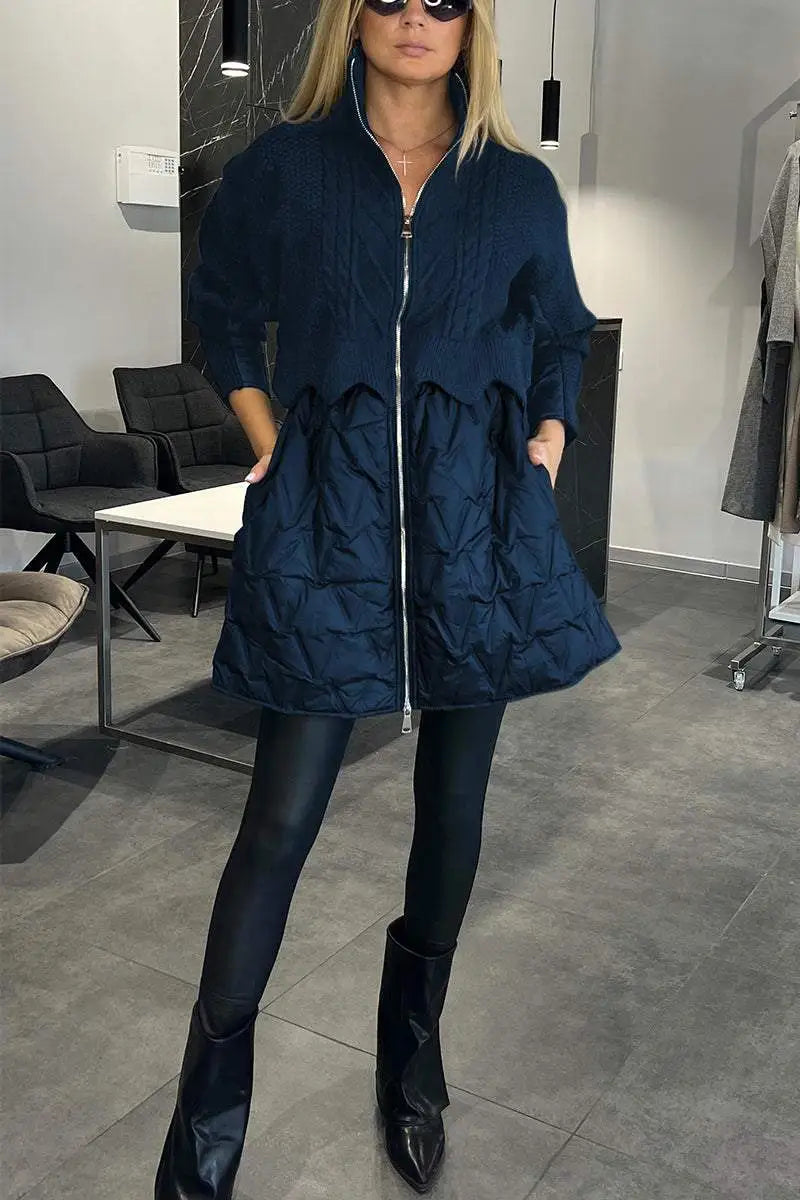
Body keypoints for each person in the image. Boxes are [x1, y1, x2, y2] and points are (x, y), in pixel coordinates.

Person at [154, 0, 621, 1196]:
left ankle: (410, 1062)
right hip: (328, 520)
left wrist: (547, 439)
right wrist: (269, 435)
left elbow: (559, 331)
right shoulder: (285, 168)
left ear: (473, 27)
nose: (416, 19)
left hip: (476, 528)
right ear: (351, 17)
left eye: (443, 1)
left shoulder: (513, 185)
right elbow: (222, 315)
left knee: (452, 808)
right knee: (277, 820)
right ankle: (204, 1125)